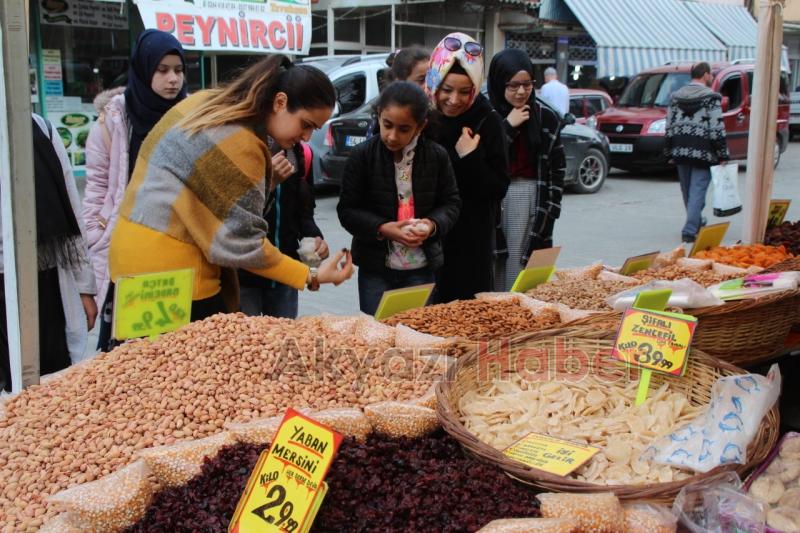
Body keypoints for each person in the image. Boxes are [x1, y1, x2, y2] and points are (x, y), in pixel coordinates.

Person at [108, 55, 353, 328]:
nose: (307, 137)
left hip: (130, 262)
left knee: (143, 364)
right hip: (176, 280)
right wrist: (312, 275)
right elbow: (243, 244)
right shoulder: (242, 143)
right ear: (280, 102)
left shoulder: (207, 102)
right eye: (306, 124)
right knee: (184, 366)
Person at [84, 29, 187, 349]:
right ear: (144, 69)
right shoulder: (113, 121)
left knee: (176, 352)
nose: (173, 79)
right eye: (163, 69)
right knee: (130, 353)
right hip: (128, 252)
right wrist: (95, 239)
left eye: (179, 70)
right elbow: (97, 189)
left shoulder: (192, 118)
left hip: (177, 252)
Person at [338, 81, 461, 315]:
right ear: (379, 115)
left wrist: (431, 224)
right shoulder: (361, 156)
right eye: (387, 125)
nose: (392, 136)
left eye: (404, 129)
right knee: (378, 334)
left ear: (420, 126)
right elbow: (347, 211)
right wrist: (384, 228)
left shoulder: (436, 156)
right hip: (375, 267)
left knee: (417, 331)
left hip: (421, 267)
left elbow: (451, 202)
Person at [1, 115, 97, 391]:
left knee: (52, 384)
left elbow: (70, 206)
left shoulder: (38, 128)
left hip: (43, 280)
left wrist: (84, 285)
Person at [425, 32, 509, 302]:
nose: (454, 100)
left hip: (471, 237)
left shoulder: (488, 121)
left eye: (465, 91)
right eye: (446, 89)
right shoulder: (422, 119)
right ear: (434, 81)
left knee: (468, 313)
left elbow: (498, 188)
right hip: (428, 234)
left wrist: (470, 157)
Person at [487, 49, 567, 291]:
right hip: (496, 201)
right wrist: (507, 127)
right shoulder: (486, 115)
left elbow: (557, 170)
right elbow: (483, 160)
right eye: (513, 85)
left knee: (524, 269)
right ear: (499, 83)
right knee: (495, 267)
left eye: (527, 84)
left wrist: (550, 212)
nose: (521, 92)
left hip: (534, 199)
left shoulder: (546, 117)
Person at [238, 141, 329, 319]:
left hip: (285, 276)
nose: (307, 135)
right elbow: (235, 217)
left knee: (283, 339)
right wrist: (269, 183)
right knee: (248, 343)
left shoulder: (301, 153)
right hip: (245, 276)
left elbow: (304, 213)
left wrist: (315, 238)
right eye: (305, 124)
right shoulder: (242, 148)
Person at [665, 61, 729, 243]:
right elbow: (717, 127)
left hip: (680, 149)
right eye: (711, 75)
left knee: (687, 190)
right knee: (698, 190)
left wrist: (668, 151)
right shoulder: (712, 98)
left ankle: (696, 220)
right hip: (703, 150)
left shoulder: (675, 97)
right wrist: (723, 153)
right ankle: (690, 229)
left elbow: (669, 125)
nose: (712, 78)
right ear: (705, 75)